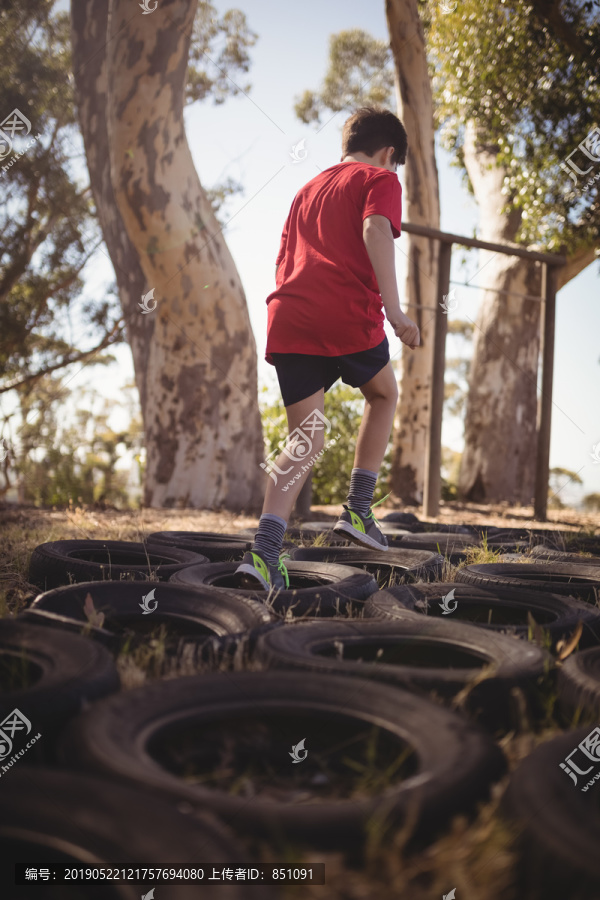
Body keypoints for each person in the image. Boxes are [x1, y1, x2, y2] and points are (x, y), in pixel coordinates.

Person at [236, 106, 420, 591]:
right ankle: (359, 511)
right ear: (388, 153)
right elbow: (375, 230)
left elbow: (286, 257)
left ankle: (264, 553)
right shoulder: (379, 179)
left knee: (307, 437)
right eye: (394, 163)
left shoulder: (307, 189)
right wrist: (396, 312)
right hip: (342, 310)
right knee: (383, 395)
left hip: (290, 314)